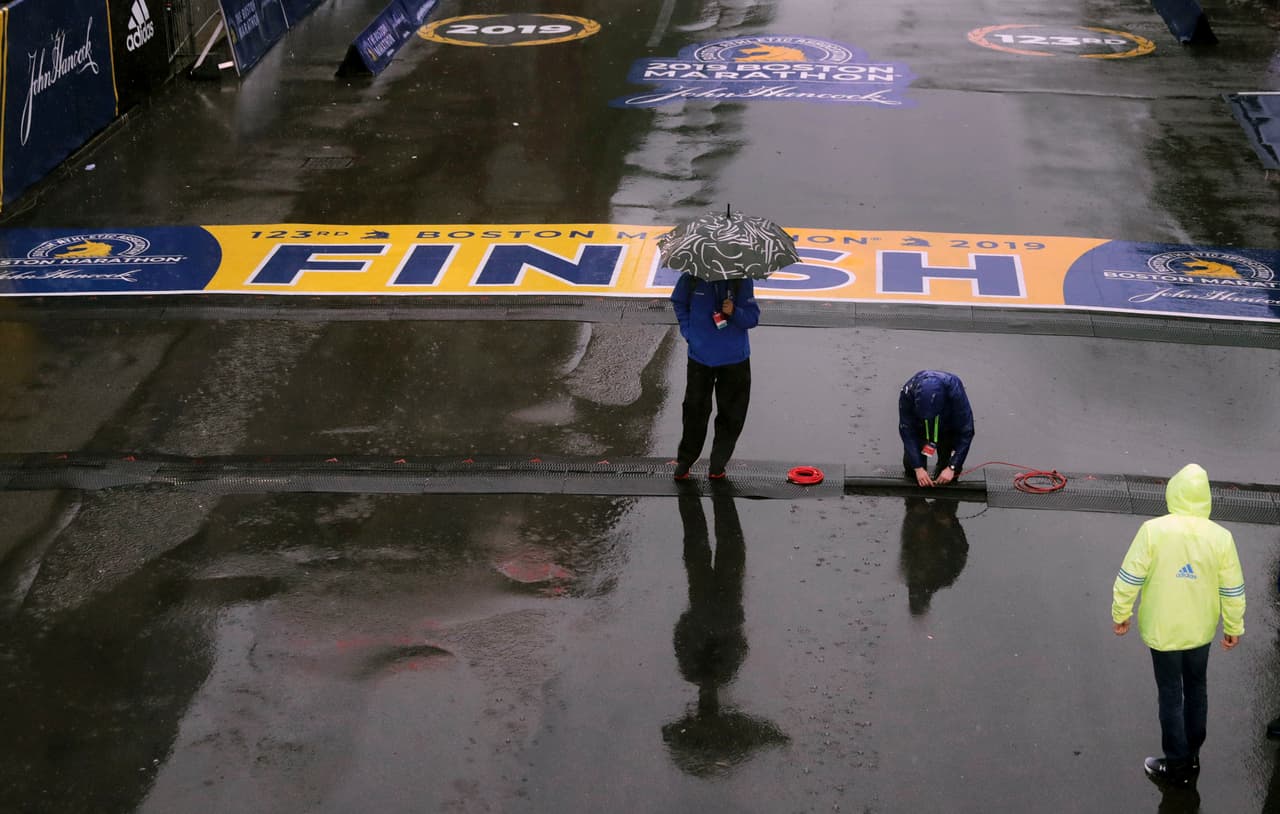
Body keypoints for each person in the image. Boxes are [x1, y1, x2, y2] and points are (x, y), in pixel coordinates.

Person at [1111, 463, 1246, 788]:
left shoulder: (1153, 531)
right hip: (1200, 631)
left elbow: (1130, 577)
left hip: (1163, 631)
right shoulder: (1221, 537)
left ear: (1173, 491)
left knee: (1171, 693)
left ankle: (1176, 763)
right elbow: (1232, 588)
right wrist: (1233, 626)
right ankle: (1193, 752)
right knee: (1197, 688)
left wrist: (1121, 612)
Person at [670, 274, 760, 479]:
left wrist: (734, 311)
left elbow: (752, 318)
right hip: (700, 358)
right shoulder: (692, 277)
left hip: (734, 358)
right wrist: (688, 332)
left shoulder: (741, 281)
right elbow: (678, 302)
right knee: (694, 411)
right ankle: (685, 460)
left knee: (732, 414)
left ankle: (718, 464)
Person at [898, 370, 974, 487]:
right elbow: (907, 430)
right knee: (911, 466)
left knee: (948, 472)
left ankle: (947, 500)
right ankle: (916, 502)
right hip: (921, 427)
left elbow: (966, 432)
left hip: (947, 426)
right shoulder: (908, 392)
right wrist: (918, 468)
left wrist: (952, 467)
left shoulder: (955, 392)